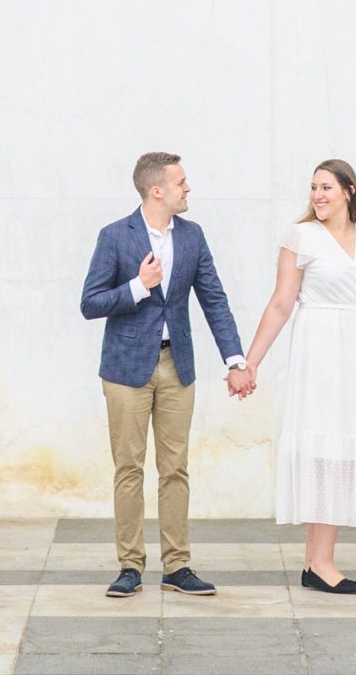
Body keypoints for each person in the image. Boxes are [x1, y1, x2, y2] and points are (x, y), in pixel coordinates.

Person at [79, 151, 253, 598]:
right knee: (129, 468)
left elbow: (214, 299)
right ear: (157, 190)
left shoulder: (193, 237)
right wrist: (138, 286)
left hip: (178, 365)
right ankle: (130, 567)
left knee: (175, 467)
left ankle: (177, 566)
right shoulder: (115, 236)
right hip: (124, 369)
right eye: (181, 182)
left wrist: (235, 359)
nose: (188, 188)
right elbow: (90, 303)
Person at [239, 158, 356, 594]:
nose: (318, 195)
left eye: (326, 187)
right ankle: (323, 562)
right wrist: (250, 363)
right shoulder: (301, 236)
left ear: (348, 191)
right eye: (313, 188)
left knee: (344, 453)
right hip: (319, 354)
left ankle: (315, 563)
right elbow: (280, 305)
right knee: (325, 453)